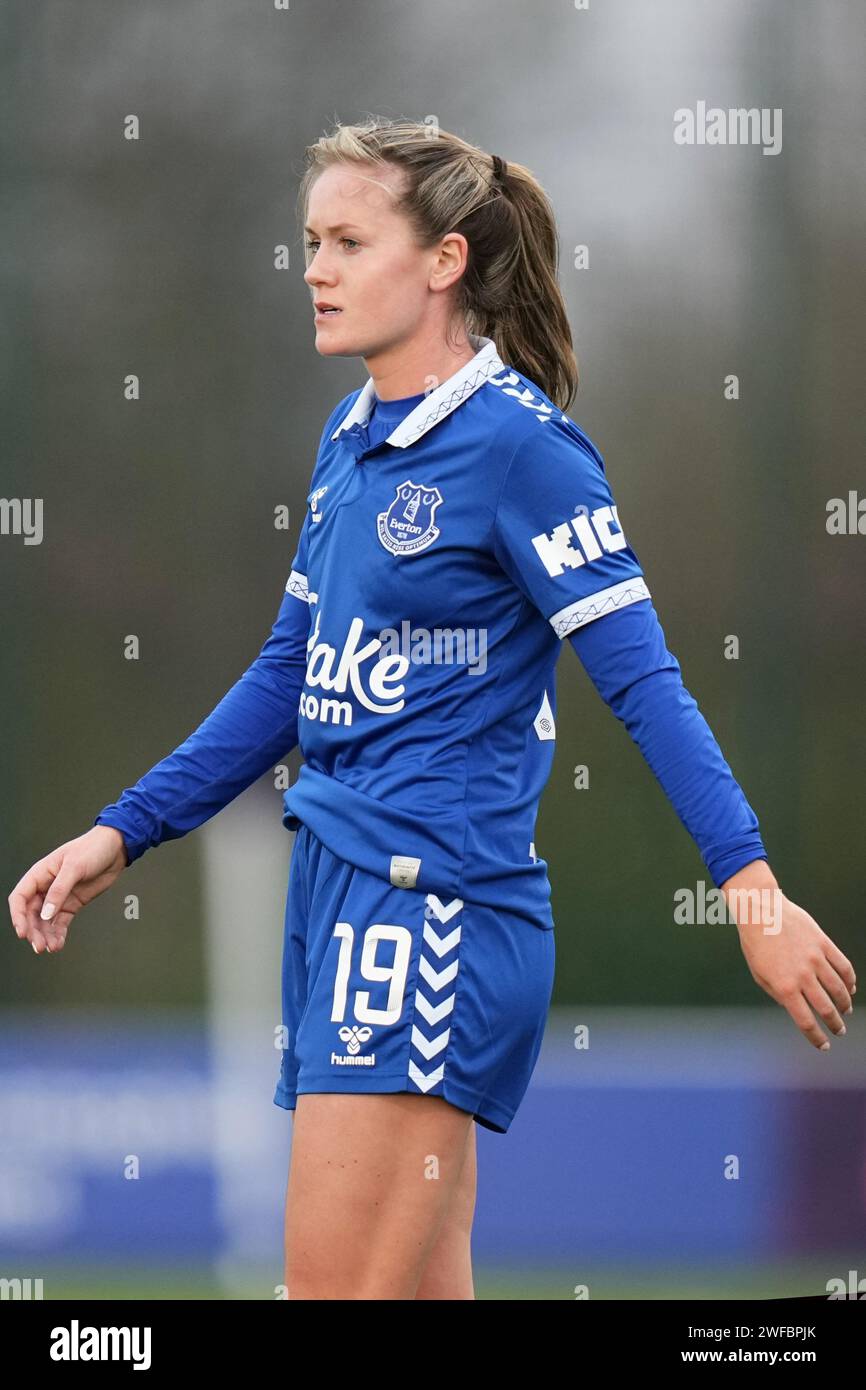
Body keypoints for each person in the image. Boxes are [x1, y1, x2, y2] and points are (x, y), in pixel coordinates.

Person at [8, 117, 856, 1301]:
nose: (314, 267)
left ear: (444, 261)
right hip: (338, 896)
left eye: (349, 240)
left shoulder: (521, 451)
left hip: (430, 914)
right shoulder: (349, 440)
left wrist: (747, 885)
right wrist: (124, 829)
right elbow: (287, 677)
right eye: (311, 241)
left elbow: (642, 680)